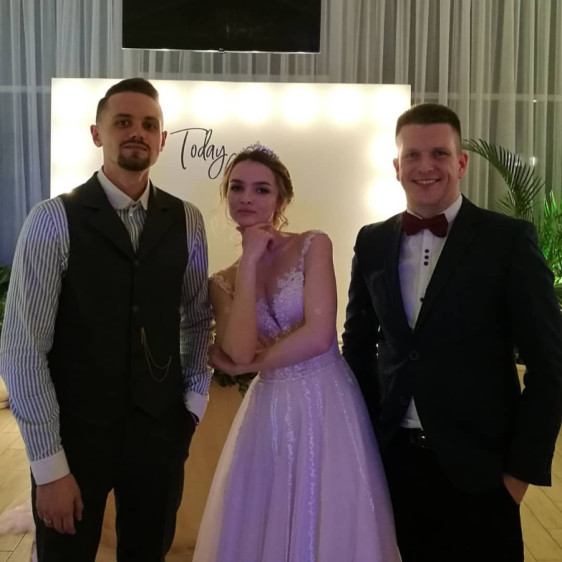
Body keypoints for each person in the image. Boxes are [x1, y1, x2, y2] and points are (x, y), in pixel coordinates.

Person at [0, 78, 213, 561]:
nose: (137, 132)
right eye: (123, 122)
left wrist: (192, 406)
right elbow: (23, 348)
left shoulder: (187, 220)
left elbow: (198, 319)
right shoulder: (53, 219)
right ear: (97, 133)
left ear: (162, 139)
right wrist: (49, 466)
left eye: (149, 125)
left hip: (159, 436)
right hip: (74, 437)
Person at [342, 102, 562, 562]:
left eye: (439, 153)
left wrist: (518, 477)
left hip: (482, 474)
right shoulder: (372, 241)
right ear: (397, 167)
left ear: (461, 163)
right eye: (413, 155)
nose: (425, 166)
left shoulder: (508, 241)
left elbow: (550, 366)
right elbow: (358, 348)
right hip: (393, 466)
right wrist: (363, 445)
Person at [192, 144, 401, 562]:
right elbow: (239, 348)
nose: (247, 198)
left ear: (281, 199)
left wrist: (252, 364)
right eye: (237, 187)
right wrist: (250, 261)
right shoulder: (222, 281)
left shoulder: (313, 245)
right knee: (264, 514)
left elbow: (320, 336)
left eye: (261, 189)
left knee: (327, 513)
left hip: (325, 400)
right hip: (267, 409)